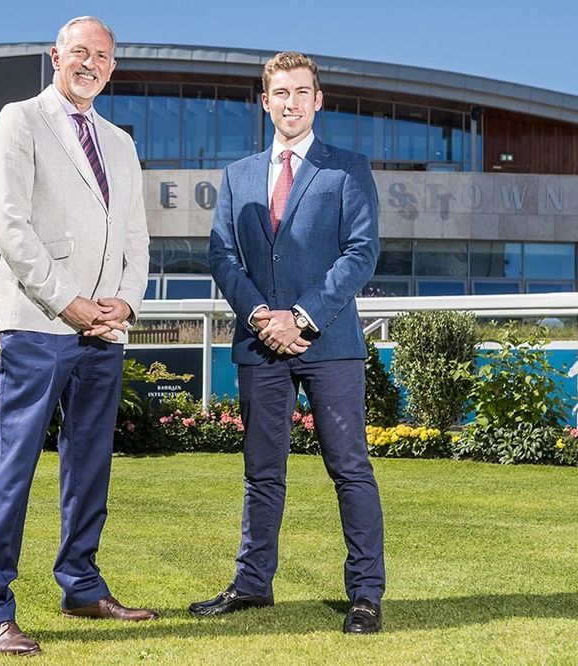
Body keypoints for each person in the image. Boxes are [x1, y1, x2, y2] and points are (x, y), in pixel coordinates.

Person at [0, 16, 154, 657]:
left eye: (102, 56)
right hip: (40, 325)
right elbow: (9, 225)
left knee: (89, 465)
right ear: (56, 56)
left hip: (107, 330)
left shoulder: (121, 142)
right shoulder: (19, 121)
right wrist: (70, 303)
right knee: (15, 467)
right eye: (80, 51)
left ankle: (81, 585)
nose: (90, 63)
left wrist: (123, 304)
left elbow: (137, 237)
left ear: (112, 68)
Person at [194, 51, 385, 634]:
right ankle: (253, 585)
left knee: (349, 467)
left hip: (329, 344)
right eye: (281, 92)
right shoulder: (238, 176)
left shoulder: (347, 169)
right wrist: (260, 316)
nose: (291, 102)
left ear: (318, 100)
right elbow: (222, 256)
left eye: (302, 92)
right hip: (259, 346)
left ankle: (365, 595)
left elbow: (360, 253)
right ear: (265, 101)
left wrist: (301, 317)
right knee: (261, 470)